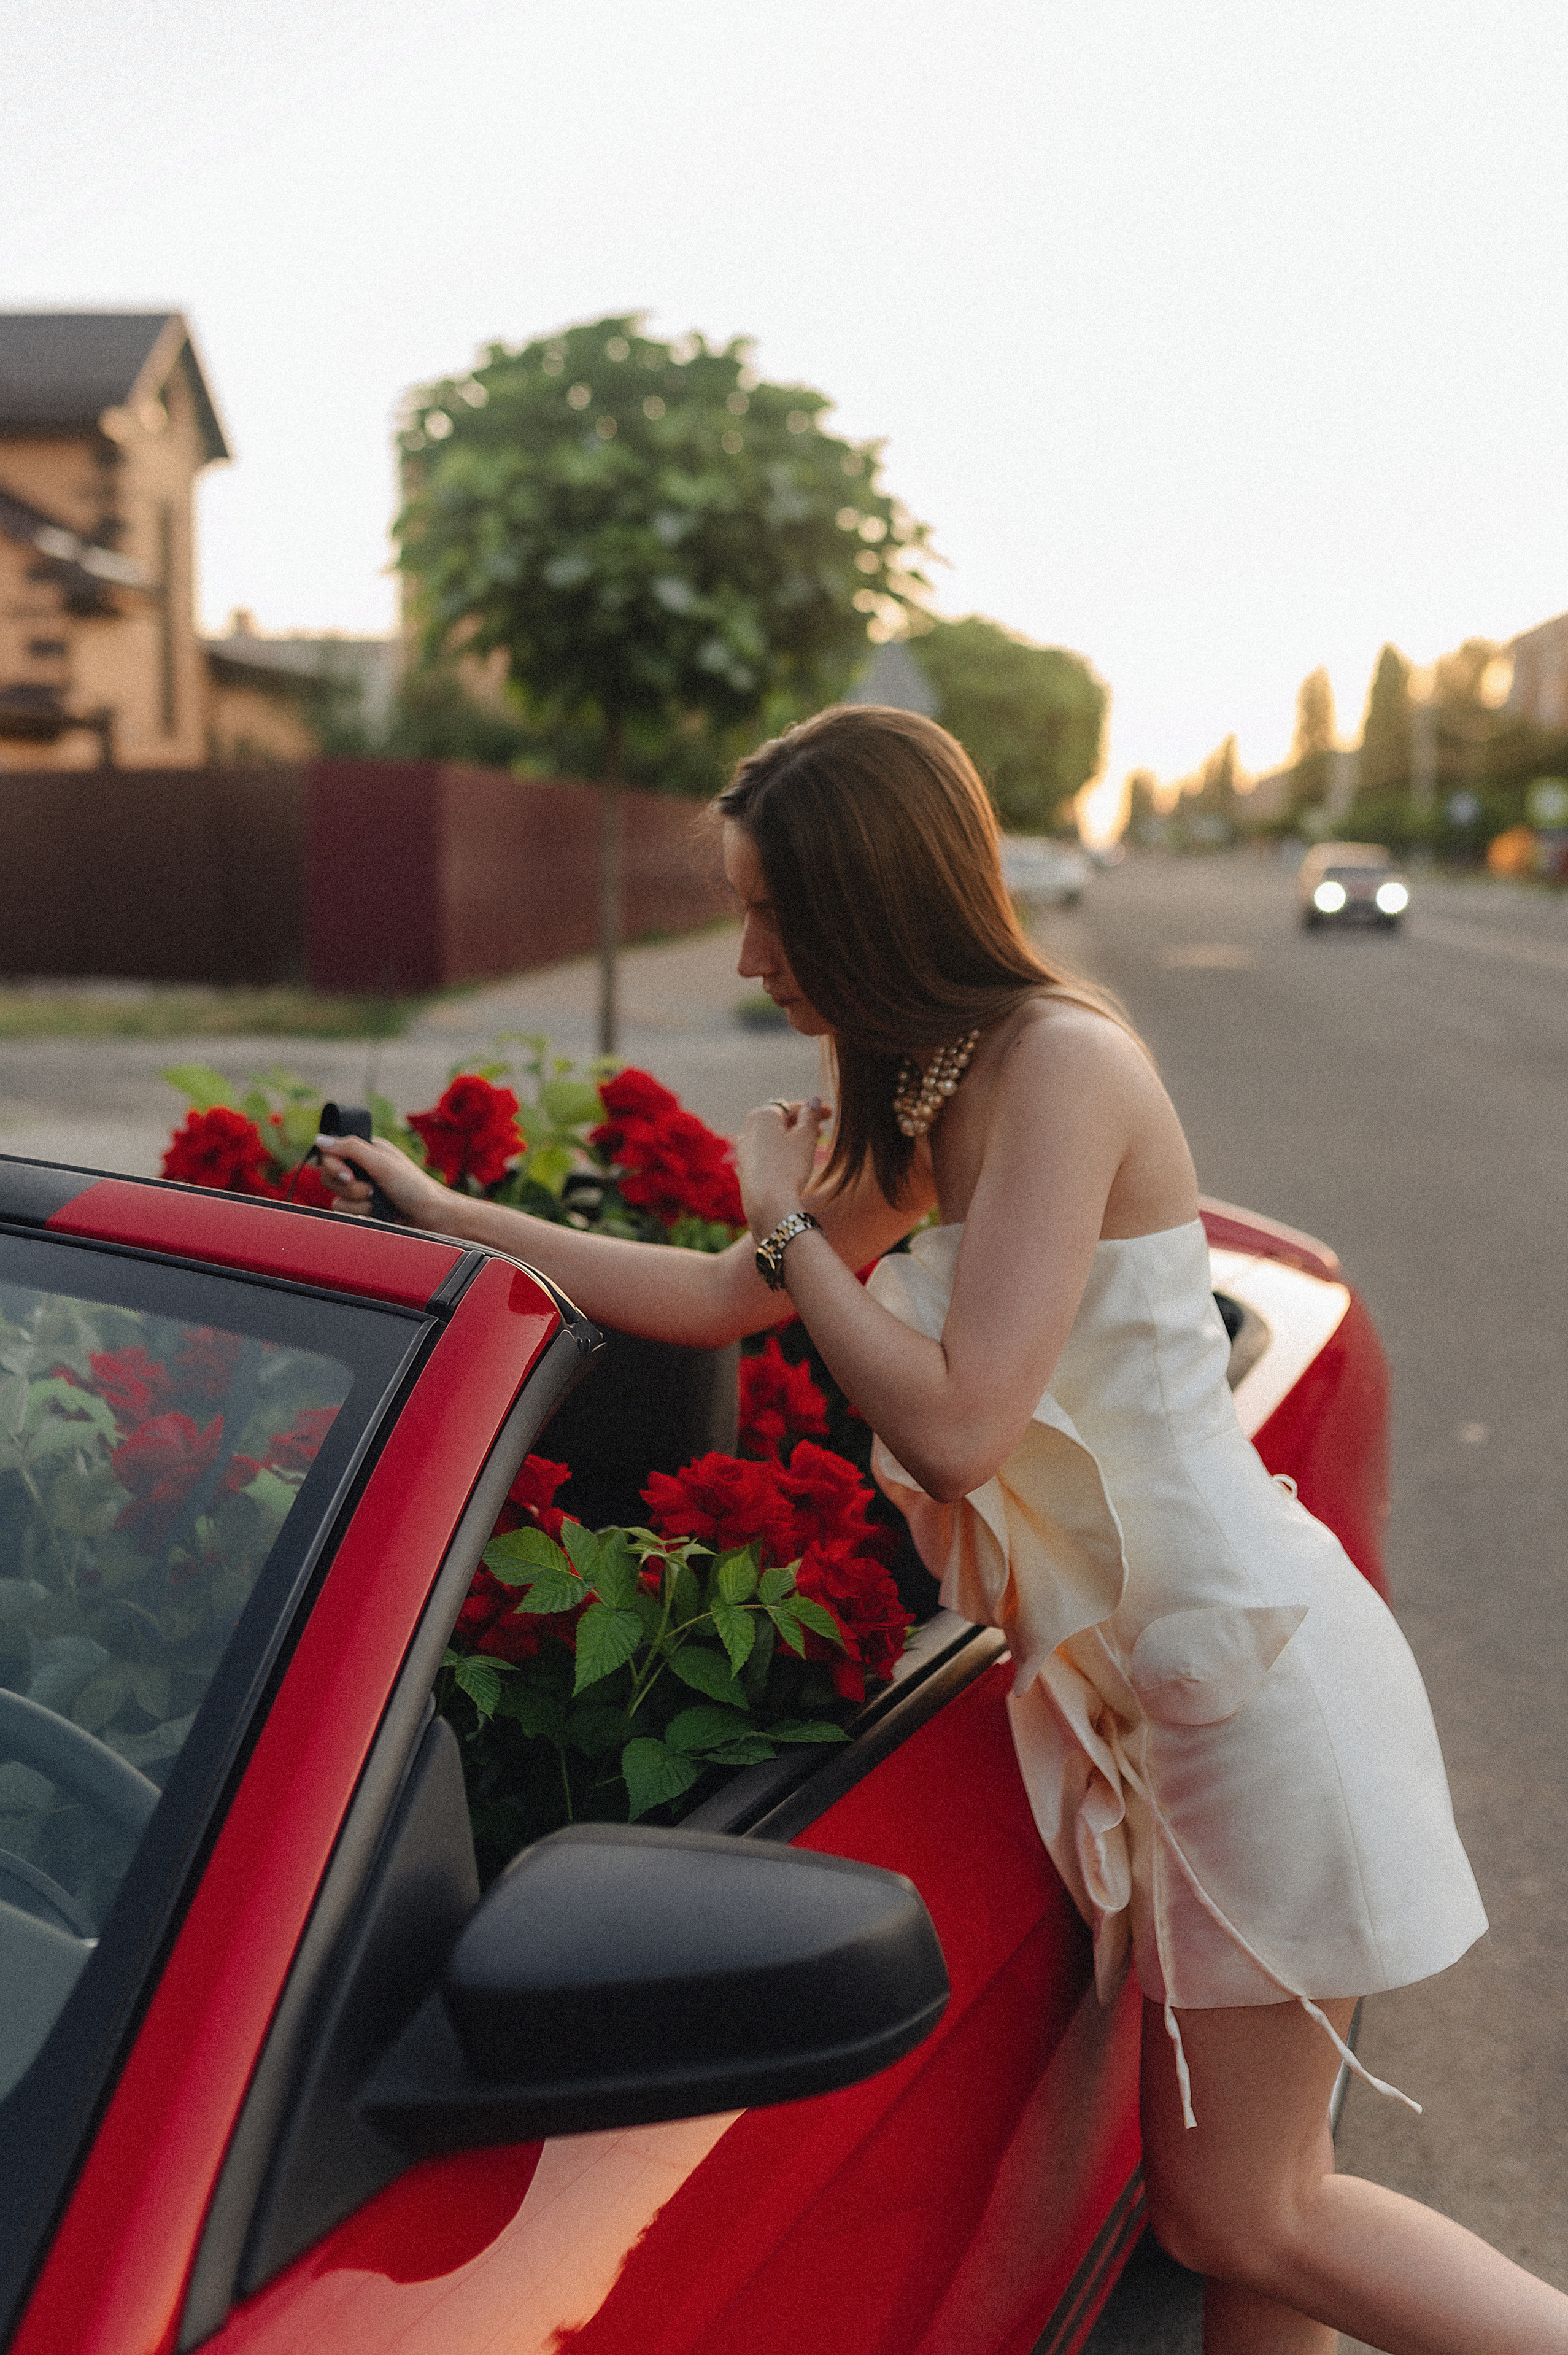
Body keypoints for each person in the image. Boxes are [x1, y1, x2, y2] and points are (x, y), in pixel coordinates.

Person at [318, 705, 1567, 2353]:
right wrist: (444, 1215)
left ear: (872, 899)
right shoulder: (934, 1082)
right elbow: (716, 1302)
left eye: (775, 909)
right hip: (1162, 1698)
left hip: (1258, 1693)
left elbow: (965, 1418)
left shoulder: (1065, 1065)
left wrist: (790, 1230)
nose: (753, 954)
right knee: (1255, 2225)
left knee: (1246, 2211)